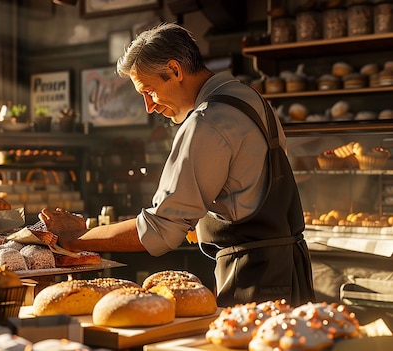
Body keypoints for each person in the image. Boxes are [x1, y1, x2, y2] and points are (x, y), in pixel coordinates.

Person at [39, 23, 315, 307]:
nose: (149, 106)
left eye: (149, 90)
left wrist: (77, 238)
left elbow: (160, 231)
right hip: (291, 270)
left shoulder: (206, 121)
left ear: (174, 70)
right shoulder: (250, 99)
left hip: (253, 279)